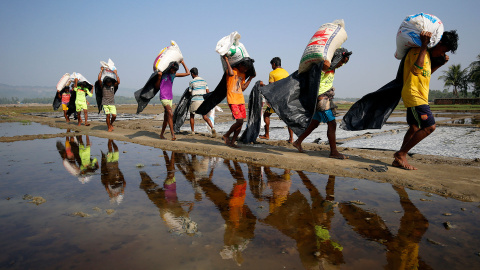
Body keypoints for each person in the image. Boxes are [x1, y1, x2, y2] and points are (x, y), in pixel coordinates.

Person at [393, 30, 458, 170]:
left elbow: (425, 74)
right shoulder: (419, 51)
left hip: (418, 95)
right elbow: (416, 70)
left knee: (414, 128)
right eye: (443, 50)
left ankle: (398, 159)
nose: (442, 53)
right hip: (415, 95)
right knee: (429, 127)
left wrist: (440, 63)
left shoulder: (426, 55)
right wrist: (423, 45)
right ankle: (401, 154)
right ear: (438, 43)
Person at [293, 48, 352, 159]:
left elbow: (336, 61)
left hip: (324, 98)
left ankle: (297, 142)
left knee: (314, 123)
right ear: (337, 58)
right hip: (321, 99)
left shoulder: (334, 66)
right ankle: (334, 152)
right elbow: (326, 63)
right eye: (342, 62)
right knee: (332, 124)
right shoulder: (324, 66)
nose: (342, 65)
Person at [222, 56, 255, 148]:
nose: (245, 70)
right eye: (244, 68)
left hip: (240, 100)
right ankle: (226, 135)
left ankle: (233, 142)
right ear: (240, 65)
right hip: (232, 99)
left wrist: (250, 78)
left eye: (247, 69)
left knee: (241, 123)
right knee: (239, 121)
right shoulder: (231, 71)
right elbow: (231, 73)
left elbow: (243, 88)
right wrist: (227, 61)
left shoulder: (242, 74)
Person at [259, 57, 294, 143]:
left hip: (276, 100)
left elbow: (271, 87)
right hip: (286, 99)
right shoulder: (286, 72)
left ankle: (267, 135)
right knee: (288, 118)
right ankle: (291, 138)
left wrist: (262, 85)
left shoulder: (272, 73)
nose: (271, 66)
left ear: (274, 64)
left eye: (272, 65)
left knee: (266, 115)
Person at [154, 60, 190, 140]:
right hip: (163, 97)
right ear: (170, 68)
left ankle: (161, 134)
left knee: (166, 117)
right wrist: (159, 77)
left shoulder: (174, 75)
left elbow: (188, 73)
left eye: (175, 70)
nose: (174, 71)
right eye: (173, 70)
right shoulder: (163, 74)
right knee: (170, 113)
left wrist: (183, 63)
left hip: (170, 97)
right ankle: (173, 135)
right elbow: (157, 87)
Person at [188, 67, 215, 136]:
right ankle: (212, 128)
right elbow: (207, 92)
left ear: (192, 74)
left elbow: (190, 92)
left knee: (192, 116)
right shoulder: (204, 81)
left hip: (195, 100)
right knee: (205, 116)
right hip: (203, 100)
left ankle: (193, 132)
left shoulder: (191, 81)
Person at [97, 67, 120, 132]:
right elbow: (99, 79)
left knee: (114, 116)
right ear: (105, 82)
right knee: (108, 115)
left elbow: (118, 81)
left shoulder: (113, 85)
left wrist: (116, 73)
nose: (109, 84)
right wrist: (101, 71)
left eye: (109, 82)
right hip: (105, 103)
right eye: (108, 83)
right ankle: (109, 127)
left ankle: (111, 124)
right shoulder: (103, 86)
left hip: (112, 103)